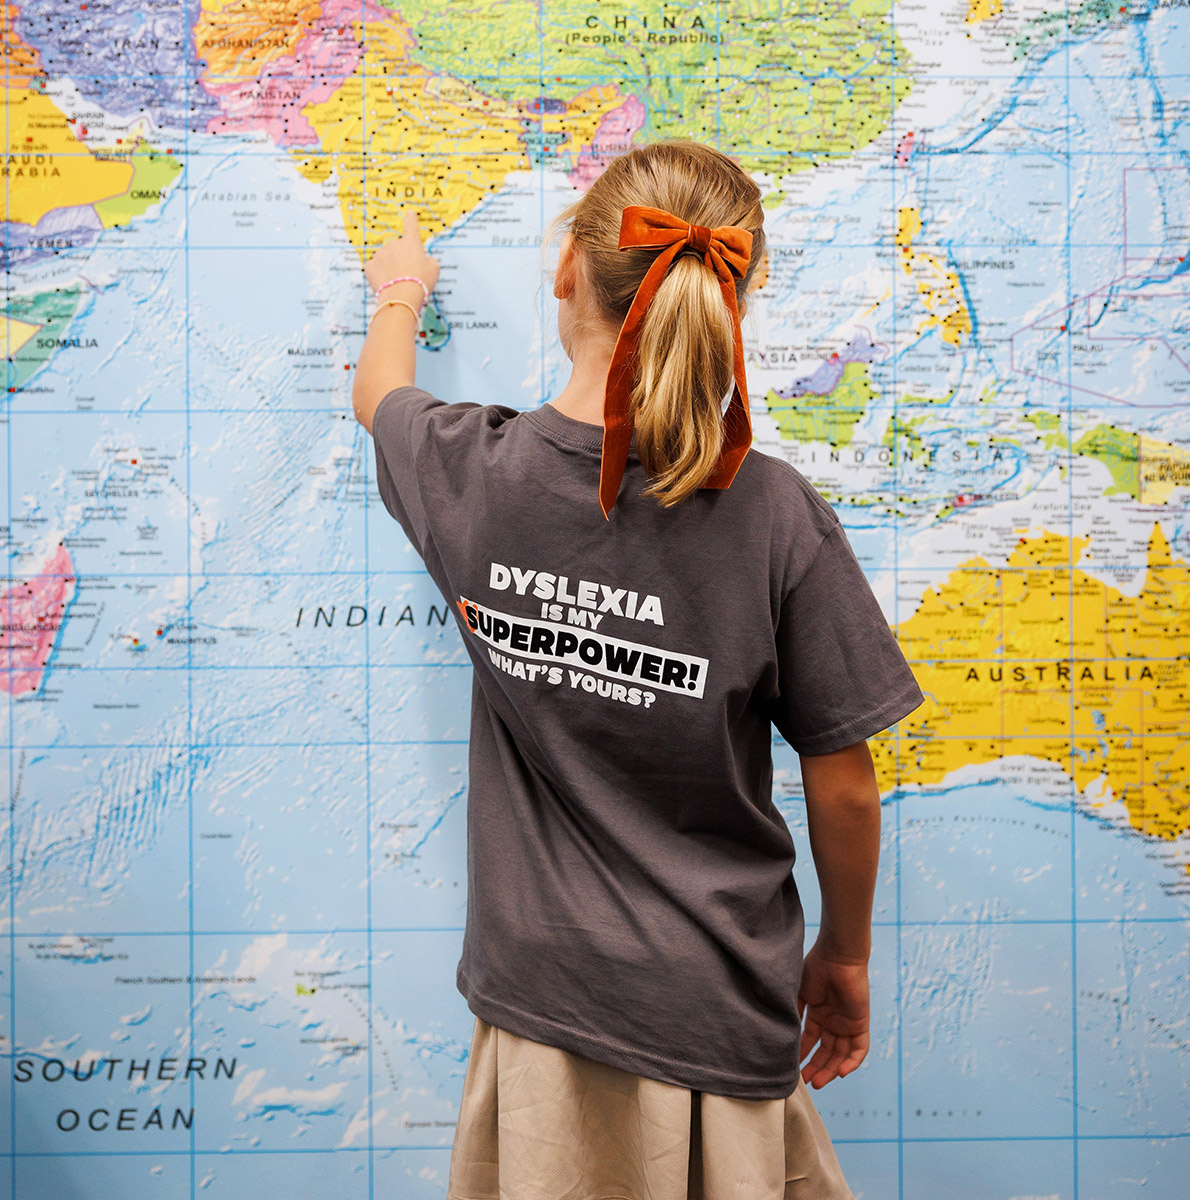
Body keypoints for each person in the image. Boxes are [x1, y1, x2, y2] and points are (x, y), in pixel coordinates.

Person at [353, 140, 925, 1200]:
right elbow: (842, 783)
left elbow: (379, 393)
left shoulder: (475, 475)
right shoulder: (773, 513)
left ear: (568, 269)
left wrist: (400, 287)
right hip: (717, 1008)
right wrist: (843, 960)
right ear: (731, 304)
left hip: (541, 1015)